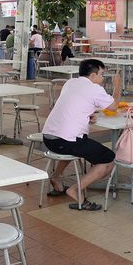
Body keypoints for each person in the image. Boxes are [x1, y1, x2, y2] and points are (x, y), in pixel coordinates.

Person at [42, 59, 121, 211]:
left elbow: (75, 103)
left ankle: (56, 178)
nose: (103, 77)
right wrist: (118, 86)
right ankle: (76, 189)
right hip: (66, 140)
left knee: (77, 143)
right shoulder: (94, 88)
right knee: (108, 159)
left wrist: (88, 114)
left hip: (49, 137)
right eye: (101, 74)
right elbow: (113, 106)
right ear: (93, 75)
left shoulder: (70, 83)